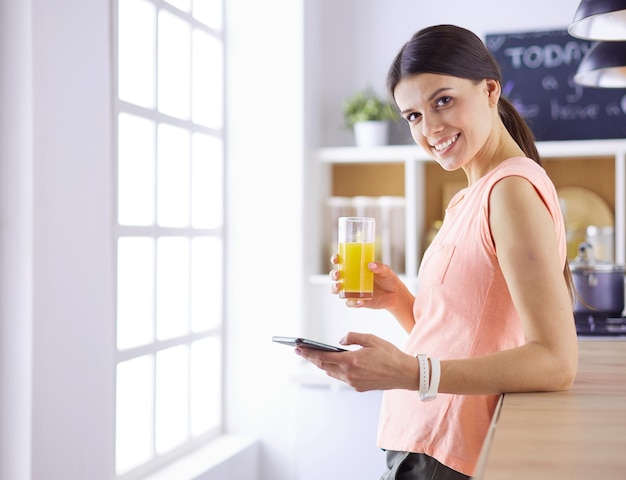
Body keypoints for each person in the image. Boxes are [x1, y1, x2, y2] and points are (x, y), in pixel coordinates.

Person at [295, 24, 579, 480]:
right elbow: (467, 333)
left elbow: (555, 361)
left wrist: (411, 373)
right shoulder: (469, 195)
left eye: (442, 101)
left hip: (448, 452)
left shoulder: (510, 192)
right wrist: (398, 302)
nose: (430, 128)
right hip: (421, 441)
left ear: (489, 90)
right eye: (412, 116)